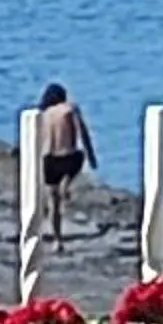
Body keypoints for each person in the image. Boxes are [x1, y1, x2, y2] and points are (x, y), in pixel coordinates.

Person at [37, 83, 96, 248]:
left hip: (49, 159)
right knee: (79, 157)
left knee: (53, 202)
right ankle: (67, 184)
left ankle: (57, 240)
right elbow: (82, 132)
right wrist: (91, 156)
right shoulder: (70, 109)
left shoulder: (44, 114)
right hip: (68, 156)